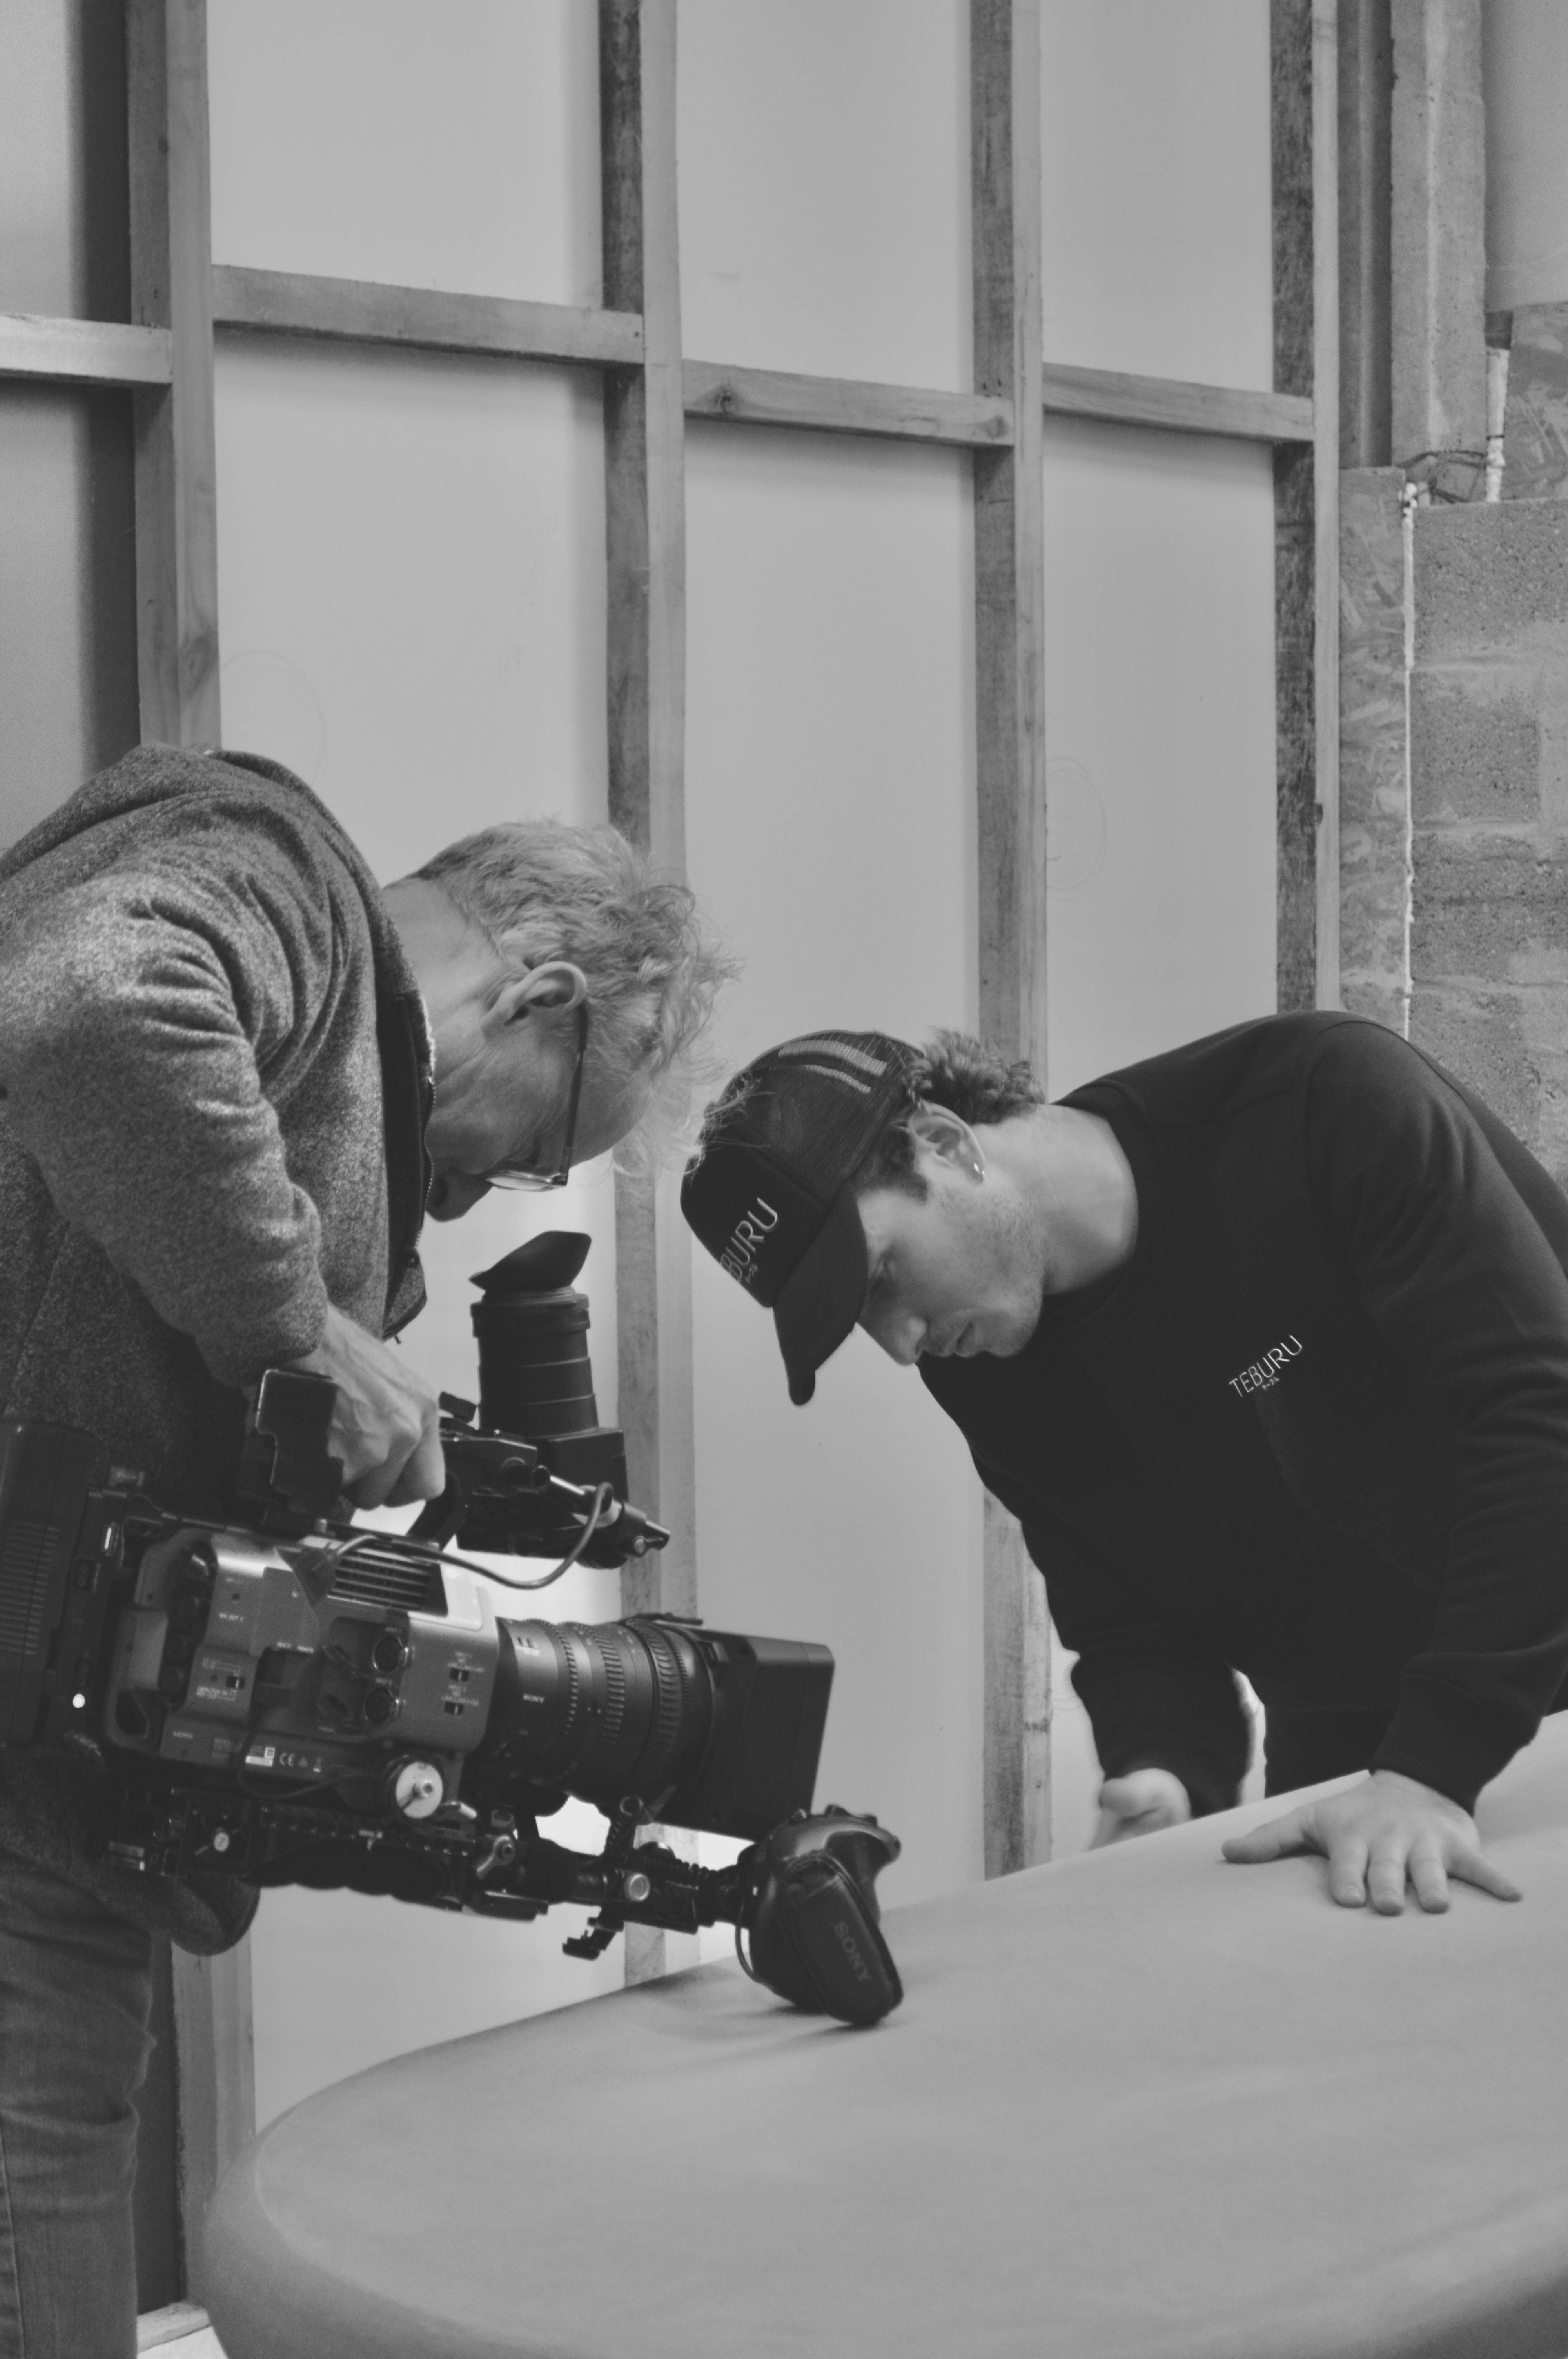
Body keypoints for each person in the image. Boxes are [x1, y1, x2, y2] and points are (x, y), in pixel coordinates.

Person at [0, 742, 728, 2356]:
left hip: (54, 1725)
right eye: (538, 1150)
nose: (474, 1200)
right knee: (35, 2164)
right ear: (537, 995)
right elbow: (84, 1000)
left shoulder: (304, 995)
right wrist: (301, 1331)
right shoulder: (277, 864)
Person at [681, 1014, 1568, 1926]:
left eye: (880, 1278)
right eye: (859, 1322)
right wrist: (1162, 1769)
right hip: (1355, 1774)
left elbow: (1539, 1416)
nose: (903, 1344)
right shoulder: (982, 1362)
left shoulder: (1319, 1102)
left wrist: (1430, 1763)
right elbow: (1126, 1621)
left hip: (1500, 1714)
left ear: (942, 1143)